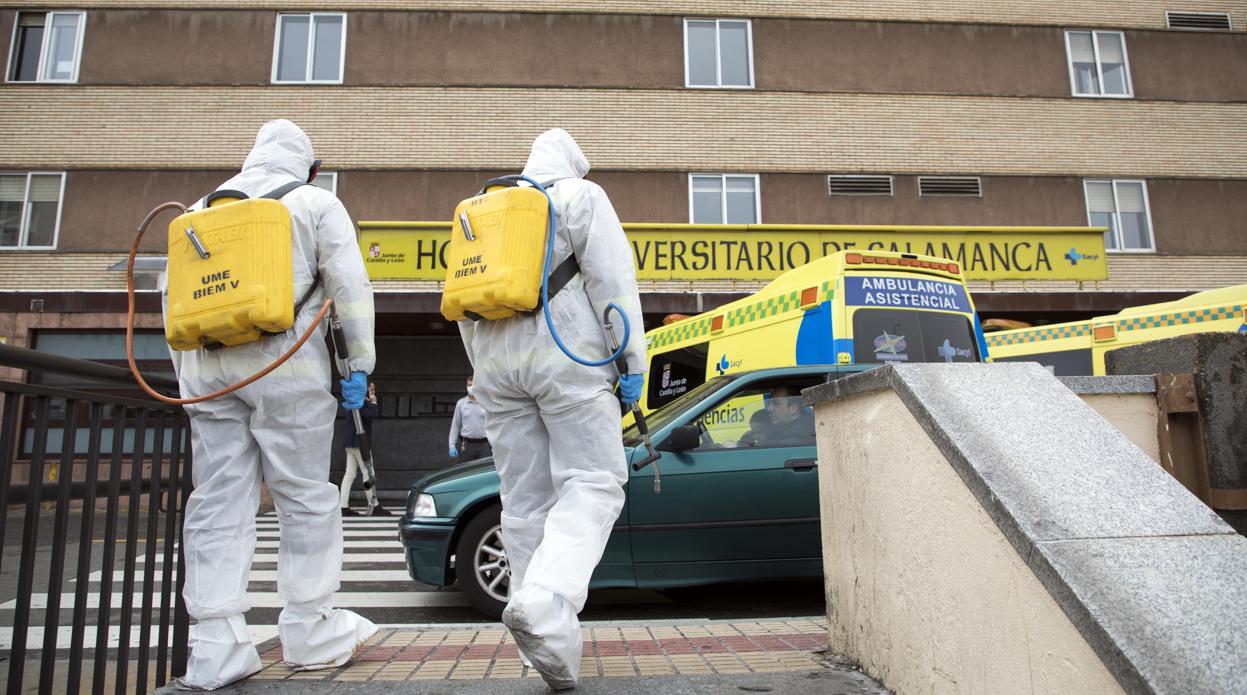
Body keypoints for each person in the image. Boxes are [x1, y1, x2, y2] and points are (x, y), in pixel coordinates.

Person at [167, 120, 377, 689]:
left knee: (216, 501)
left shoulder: (201, 208)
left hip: (208, 374)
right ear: (309, 168)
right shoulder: (314, 202)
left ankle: (214, 646)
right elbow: (351, 286)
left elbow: (177, 303)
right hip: (286, 367)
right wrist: (359, 365)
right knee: (304, 495)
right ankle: (310, 631)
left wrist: (191, 382)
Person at [456, 129, 646, 691]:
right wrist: (630, 359)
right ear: (573, 165)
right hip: (567, 359)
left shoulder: (485, 212)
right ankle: (543, 602)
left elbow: (466, 304)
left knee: (523, 501)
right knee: (595, 480)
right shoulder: (580, 197)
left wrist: (486, 371)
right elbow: (613, 282)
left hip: (495, 367)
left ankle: (541, 644)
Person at [340, 381, 388, 515]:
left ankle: (343, 506)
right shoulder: (359, 401)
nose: (372, 393)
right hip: (360, 443)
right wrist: (373, 403)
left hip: (350, 442)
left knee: (349, 474)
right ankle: (374, 505)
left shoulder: (351, 399)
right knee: (368, 473)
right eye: (370, 390)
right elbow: (368, 417)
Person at [448, 375, 491, 462]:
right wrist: (451, 445)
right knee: (467, 473)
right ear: (466, 387)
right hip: (467, 445)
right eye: (469, 385)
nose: (471, 388)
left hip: (485, 445)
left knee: (483, 473)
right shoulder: (461, 403)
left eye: (474, 385)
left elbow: (495, 423)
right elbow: (455, 426)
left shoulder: (486, 402)